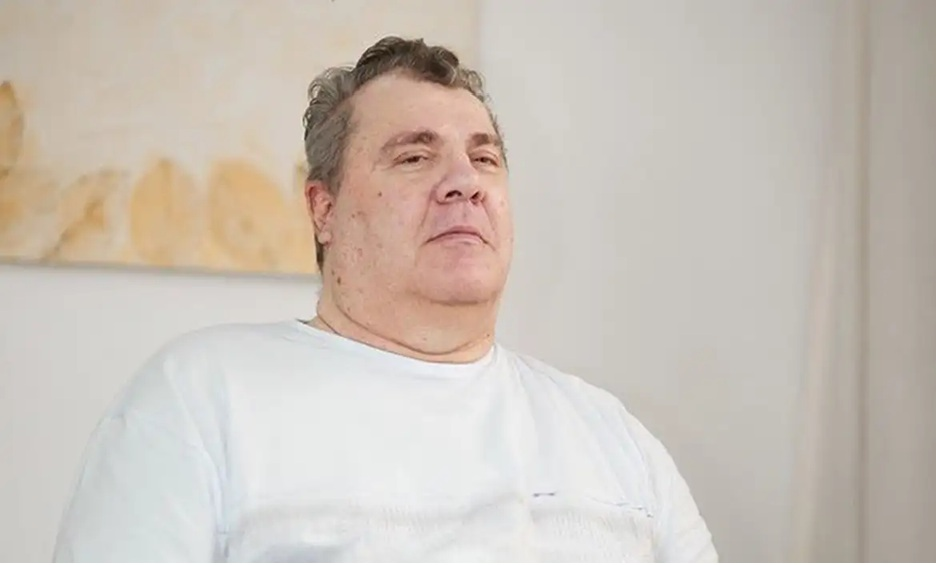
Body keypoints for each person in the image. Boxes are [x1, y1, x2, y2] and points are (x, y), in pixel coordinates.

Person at [53, 36, 718, 562]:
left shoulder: (614, 438)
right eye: (414, 157)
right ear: (325, 210)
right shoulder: (197, 399)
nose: (464, 182)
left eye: (484, 158)